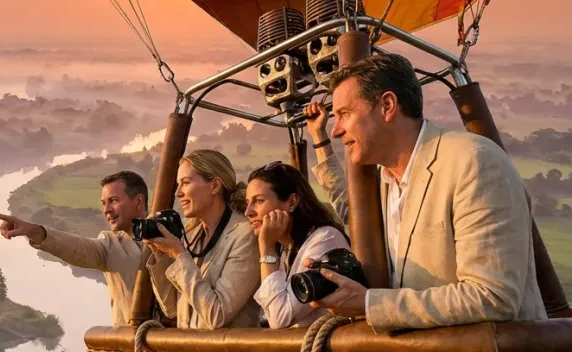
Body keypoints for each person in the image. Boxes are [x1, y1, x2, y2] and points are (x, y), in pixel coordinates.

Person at [308, 53, 546, 333]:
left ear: (387, 105)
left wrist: (369, 304)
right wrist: (319, 140)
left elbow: (493, 297)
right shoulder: (386, 182)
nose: (336, 130)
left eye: (344, 114)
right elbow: (351, 209)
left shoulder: (473, 162)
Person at [0, 170, 150, 326]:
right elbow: (75, 247)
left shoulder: (171, 238)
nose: (107, 210)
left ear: (138, 201)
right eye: (104, 203)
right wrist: (32, 231)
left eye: (113, 200)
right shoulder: (110, 246)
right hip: (129, 344)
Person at [142, 149, 261, 329]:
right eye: (178, 184)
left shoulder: (245, 236)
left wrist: (180, 254)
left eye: (185, 183)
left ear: (214, 185)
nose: (178, 193)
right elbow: (172, 309)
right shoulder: (192, 236)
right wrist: (161, 254)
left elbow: (217, 315)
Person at [244, 160, 350, 328]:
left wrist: (267, 248)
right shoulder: (288, 248)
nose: (248, 212)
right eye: (247, 202)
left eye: (258, 200)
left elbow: (280, 318)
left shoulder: (325, 240)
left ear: (291, 202)